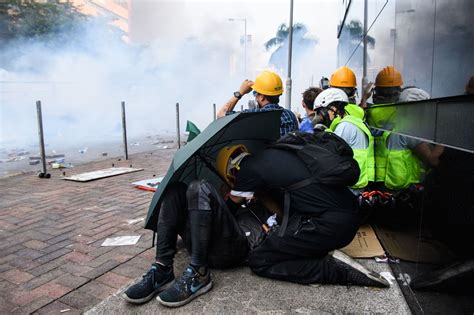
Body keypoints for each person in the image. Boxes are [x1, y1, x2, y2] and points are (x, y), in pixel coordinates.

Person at [226, 132, 389, 287]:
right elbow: (282, 213)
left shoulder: (248, 169)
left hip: (328, 226)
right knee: (281, 242)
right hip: (347, 216)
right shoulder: (277, 154)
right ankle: (319, 253)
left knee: (259, 259)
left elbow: (231, 206)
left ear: (233, 170)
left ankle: (336, 271)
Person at [122, 145, 263, 308]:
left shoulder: (266, 189)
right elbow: (220, 214)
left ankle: (199, 273)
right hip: (207, 244)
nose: (240, 172)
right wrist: (229, 199)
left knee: (200, 186)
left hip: (236, 248)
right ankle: (162, 268)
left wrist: (253, 196)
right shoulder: (228, 192)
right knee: (175, 189)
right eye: (235, 169)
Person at [313, 88, 375, 196]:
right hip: (353, 182)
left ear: (333, 109)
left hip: (351, 187)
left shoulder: (345, 126)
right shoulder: (348, 123)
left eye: (321, 112)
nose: (320, 117)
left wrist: (322, 133)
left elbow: (330, 153)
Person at [216, 70, 298, 137]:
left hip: (264, 157)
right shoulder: (290, 116)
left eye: (256, 94)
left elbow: (221, 114)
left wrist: (240, 92)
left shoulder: (252, 115)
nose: (255, 97)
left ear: (262, 97)